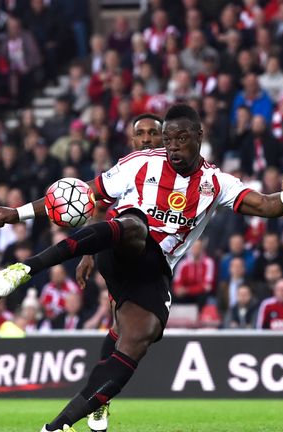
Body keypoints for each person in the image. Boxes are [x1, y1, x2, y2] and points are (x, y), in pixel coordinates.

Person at [0, 104, 283, 432]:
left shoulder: (215, 183)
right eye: (168, 139)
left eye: (181, 138)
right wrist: (18, 212)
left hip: (154, 270)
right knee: (135, 226)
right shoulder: (139, 163)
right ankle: (25, 268)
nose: (174, 145)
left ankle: (59, 426)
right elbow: (83, 194)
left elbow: (265, 204)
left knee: (139, 336)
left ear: (199, 136)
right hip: (121, 246)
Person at [73, 112, 163, 431]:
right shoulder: (126, 169)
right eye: (142, 134)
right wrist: (88, 254)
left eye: (155, 133)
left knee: (120, 326)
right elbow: (97, 204)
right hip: (126, 252)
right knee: (118, 318)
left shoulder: (174, 169)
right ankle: (101, 401)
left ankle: (100, 400)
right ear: (133, 139)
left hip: (158, 258)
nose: (149, 138)